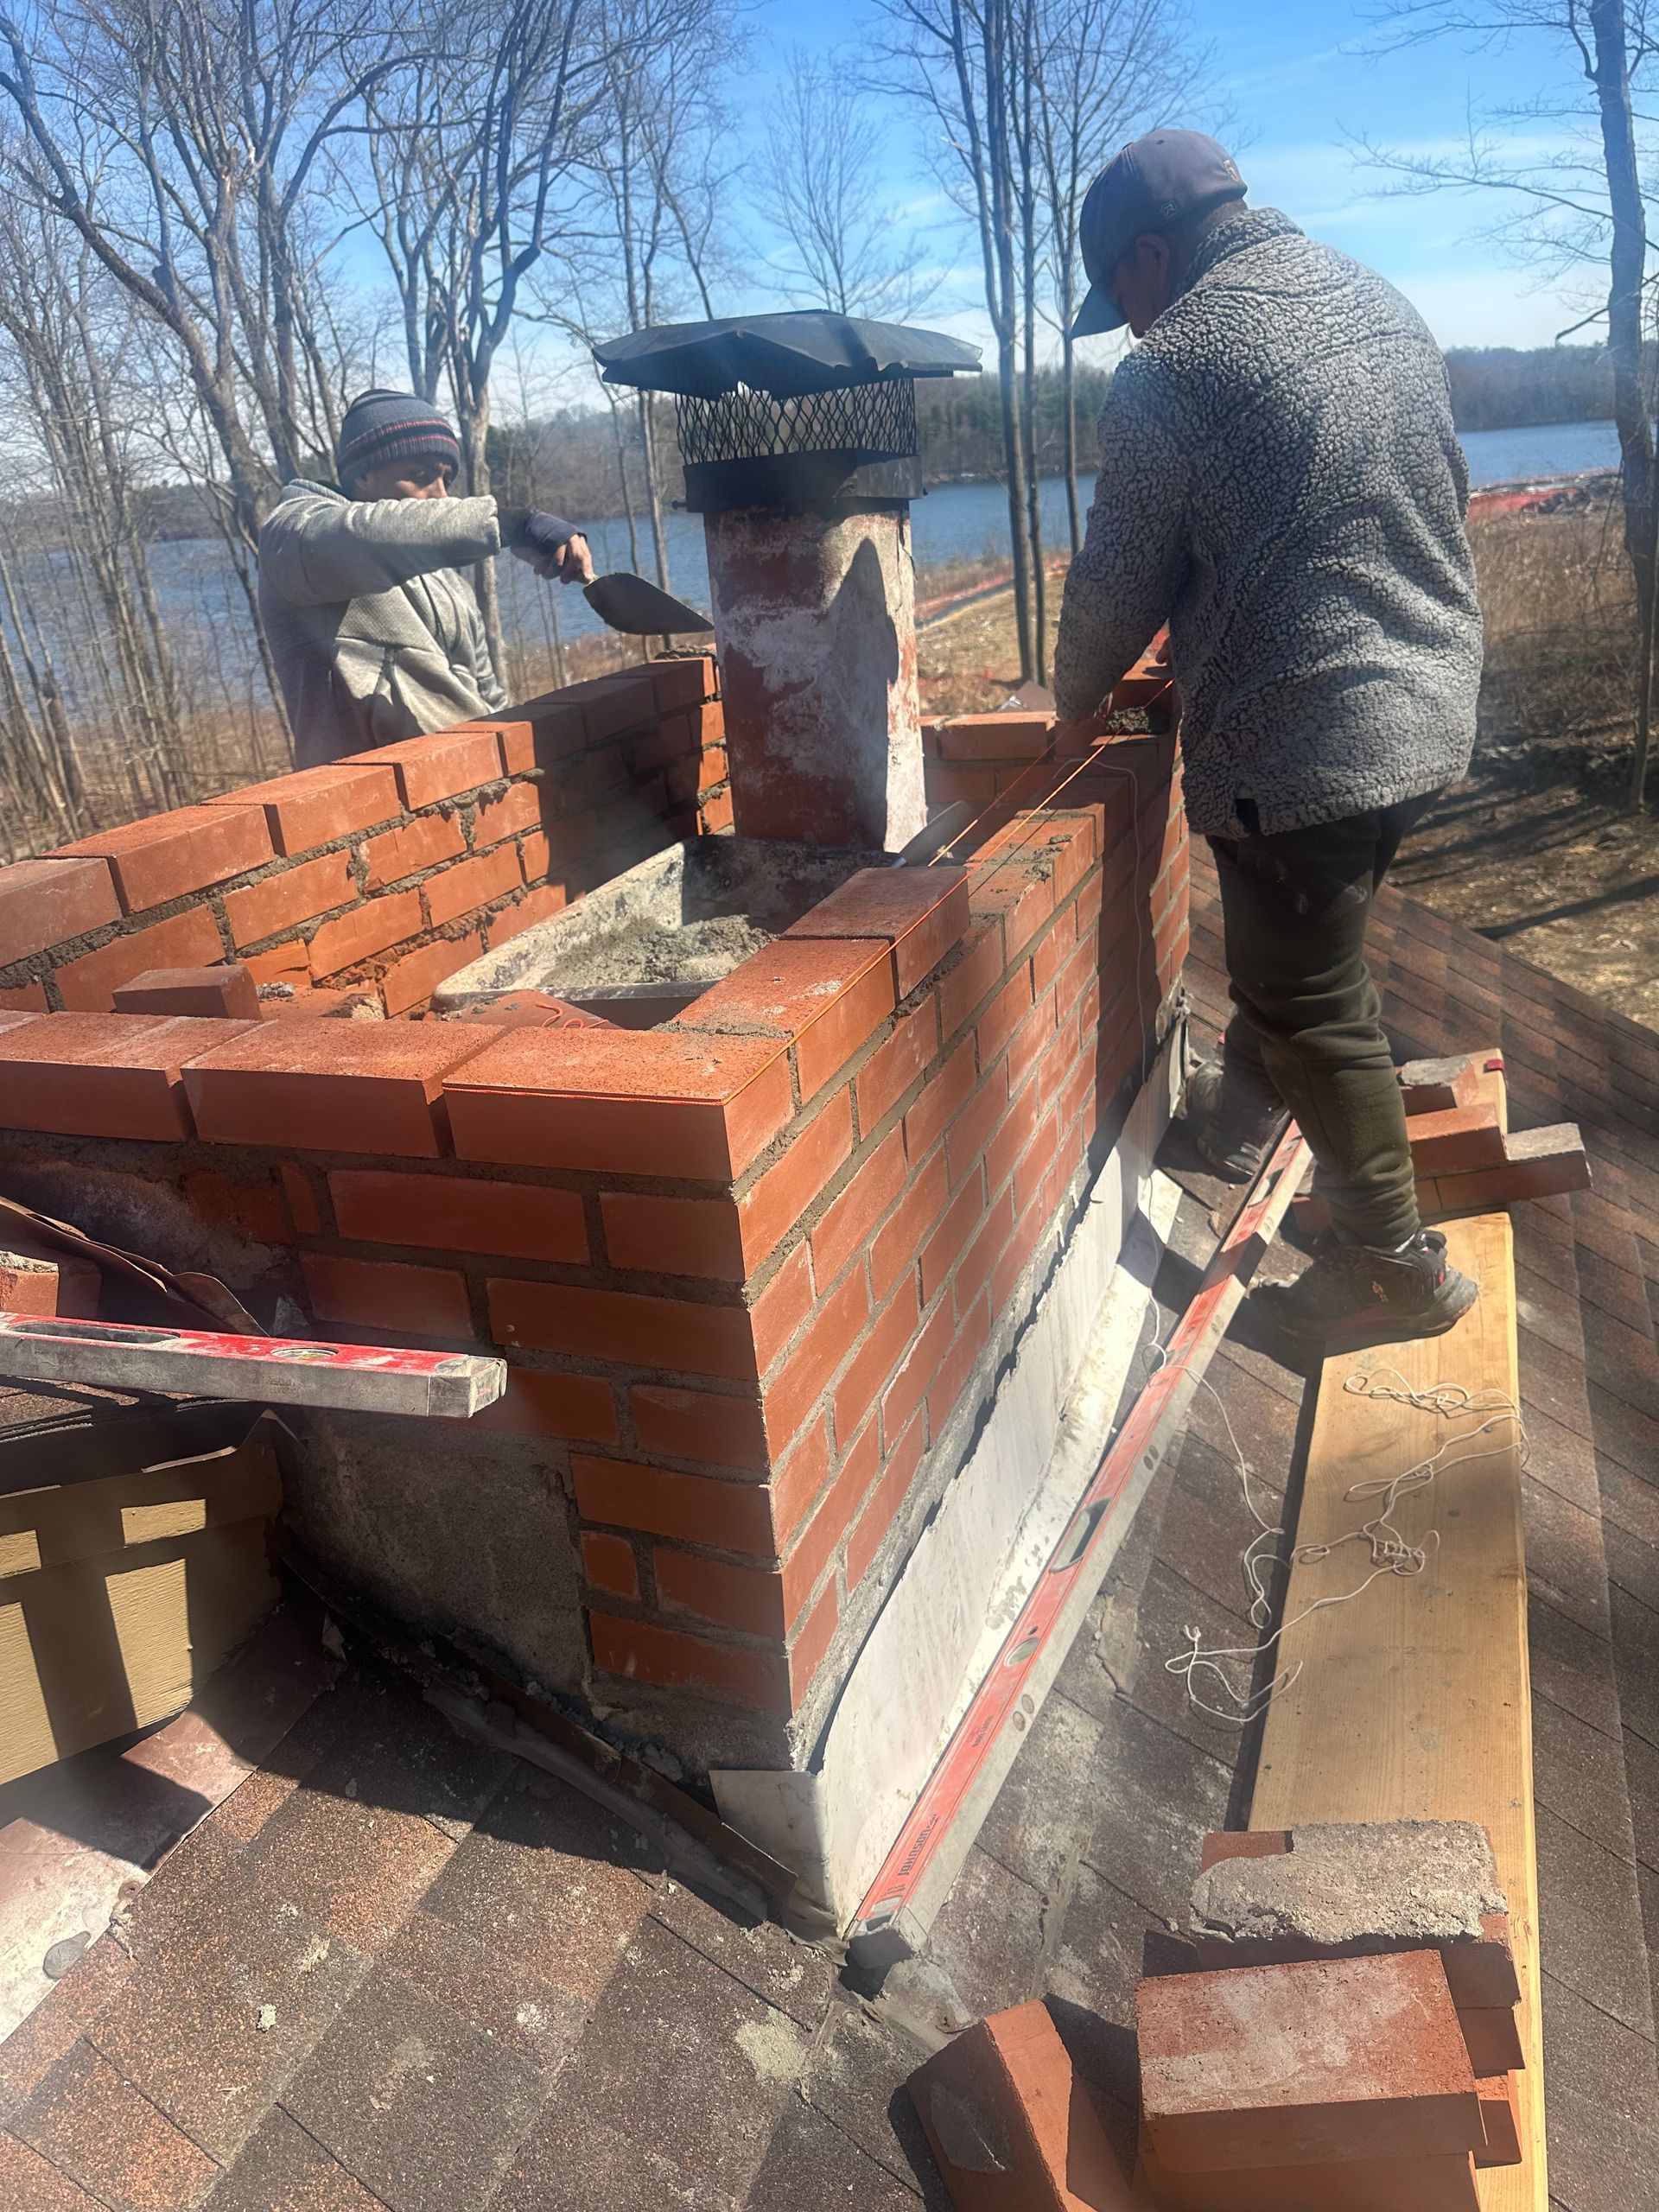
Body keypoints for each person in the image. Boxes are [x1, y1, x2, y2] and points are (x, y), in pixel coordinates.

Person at [1051, 130, 1484, 1348]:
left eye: (1120, 296)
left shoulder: (1175, 365)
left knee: (1309, 1000)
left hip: (1312, 741)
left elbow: (1117, 584)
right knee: (1296, 955)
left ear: (1152, 254)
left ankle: (1395, 1270)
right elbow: (1392, 502)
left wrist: (1068, 707)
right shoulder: (1377, 297)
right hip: (1429, 699)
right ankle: (1236, 1125)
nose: (1124, 326)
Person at [259, 389, 595, 769]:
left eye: (445, 479)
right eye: (419, 477)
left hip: (471, 788)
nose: (440, 496)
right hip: (369, 806)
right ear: (363, 474)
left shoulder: (450, 583)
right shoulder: (294, 539)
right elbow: (362, 535)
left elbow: (486, 693)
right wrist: (514, 524)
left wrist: (519, 764)